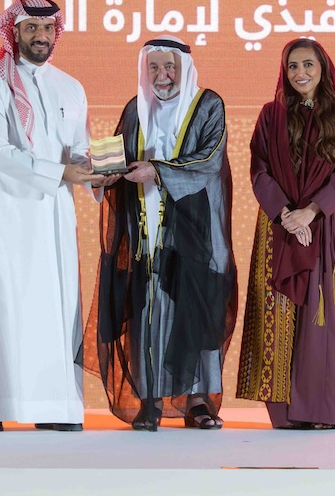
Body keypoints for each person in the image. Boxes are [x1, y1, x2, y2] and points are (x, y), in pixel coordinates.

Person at [84, 35, 238, 431]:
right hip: (144, 226)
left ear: (184, 68)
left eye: (170, 66)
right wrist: (101, 175)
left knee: (195, 309)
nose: (162, 75)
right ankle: (149, 398)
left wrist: (157, 170)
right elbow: (119, 157)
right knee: (146, 308)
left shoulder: (208, 105)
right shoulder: (135, 109)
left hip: (196, 230)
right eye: (153, 67)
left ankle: (198, 402)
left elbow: (209, 159)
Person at [0, 0, 102, 432]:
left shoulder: (70, 86)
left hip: (57, 217)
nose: (41, 37)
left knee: (57, 309)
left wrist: (98, 173)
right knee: (10, 306)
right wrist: (61, 172)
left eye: (47, 29)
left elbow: (79, 148)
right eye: (31, 29)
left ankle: (56, 409)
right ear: (14, 32)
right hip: (10, 217)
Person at [236, 38, 335, 430]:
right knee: (278, 313)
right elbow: (259, 169)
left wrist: (310, 212)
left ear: (323, 68)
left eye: (308, 64)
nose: (300, 73)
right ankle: (286, 414)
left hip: (328, 224)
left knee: (324, 320)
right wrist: (287, 215)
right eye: (292, 66)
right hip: (280, 226)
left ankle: (322, 412)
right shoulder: (270, 115)